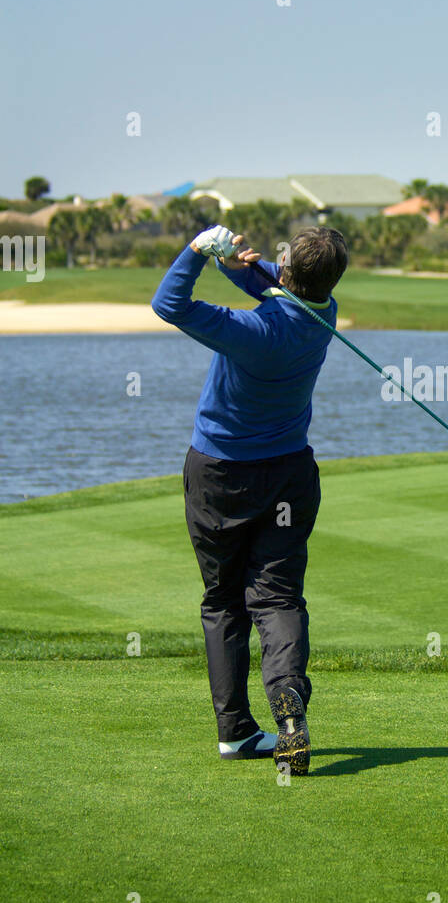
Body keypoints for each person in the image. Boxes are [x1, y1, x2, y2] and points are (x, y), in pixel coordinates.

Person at [151, 223, 348, 774]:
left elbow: (168, 304)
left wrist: (195, 251)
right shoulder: (323, 314)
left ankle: (236, 732)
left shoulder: (252, 330)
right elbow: (281, 293)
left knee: (223, 601)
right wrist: (237, 269)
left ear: (286, 272)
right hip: (288, 475)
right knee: (279, 597)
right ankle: (287, 704)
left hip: (220, 477)